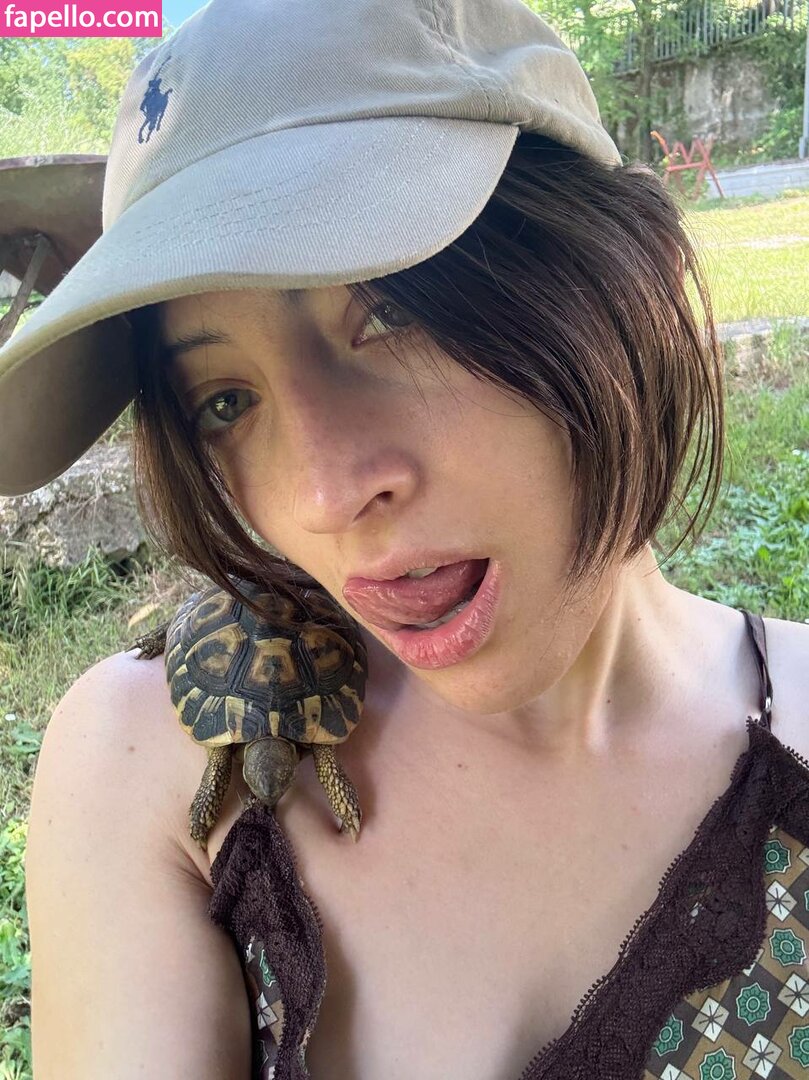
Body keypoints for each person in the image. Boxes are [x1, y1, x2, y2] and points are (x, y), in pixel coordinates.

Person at [3, 0, 807, 1077]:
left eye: (389, 312)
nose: (322, 493)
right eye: (224, 401)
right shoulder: (159, 761)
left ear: (632, 274)